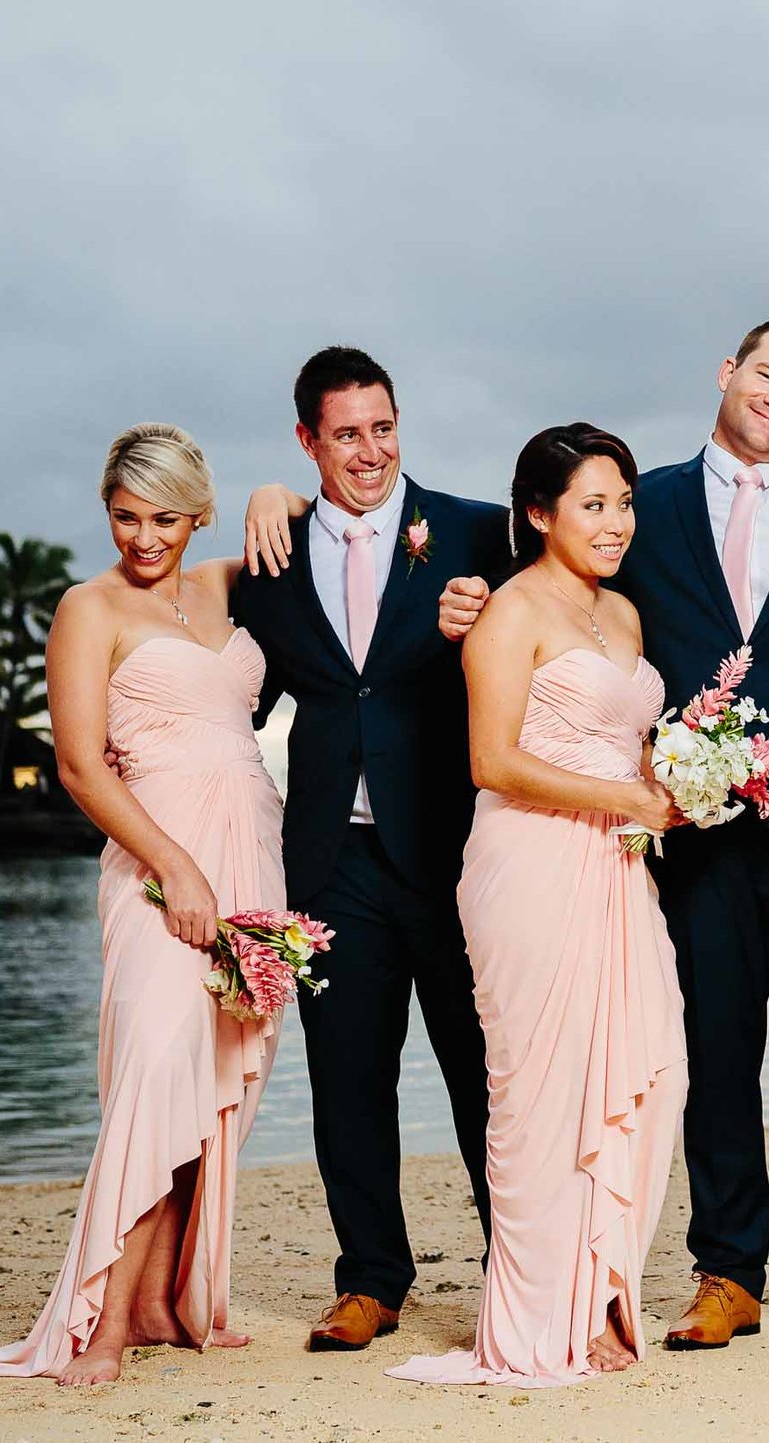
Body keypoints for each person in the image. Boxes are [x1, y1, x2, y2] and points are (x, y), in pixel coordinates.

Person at [437, 318, 769, 1352]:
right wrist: (458, 596)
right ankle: (727, 1271)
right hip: (686, 841)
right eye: (766, 375)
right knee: (711, 1055)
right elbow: (536, 558)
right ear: (728, 372)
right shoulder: (634, 504)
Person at [0, 424, 284, 1385]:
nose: (142, 538)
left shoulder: (227, 584)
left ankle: (158, 1300)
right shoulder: (87, 607)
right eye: (125, 515)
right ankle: (100, 1323)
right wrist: (175, 867)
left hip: (253, 855)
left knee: (219, 1080)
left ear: (200, 513)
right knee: (154, 1072)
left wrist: (277, 491)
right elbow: (76, 763)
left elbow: (342, 518)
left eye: (164, 519)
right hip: (159, 861)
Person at [385, 424, 689, 1386]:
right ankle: (529, 1321)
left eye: (625, 502)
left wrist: (686, 783)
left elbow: (625, 741)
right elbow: (495, 760)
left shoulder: (627, 618)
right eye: (593, 504)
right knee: (540, 1097)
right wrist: (630, 799)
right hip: (531, 866)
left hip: (619, 867)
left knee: (650, 1071)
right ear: (539, 514)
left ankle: (600, 1293)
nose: (616, 522)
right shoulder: (511, 613)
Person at [231, 348, 511, 1353]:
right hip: (329, 864)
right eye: (345, 432)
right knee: (349, 1080)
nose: (370, 450)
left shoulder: (479, 530)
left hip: (454, 851)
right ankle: (371, 1278)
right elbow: (239, 703)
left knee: (488, 1075)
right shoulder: (270, 555)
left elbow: (543, 646)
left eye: (383, 426)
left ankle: (514, 1270)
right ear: (308, 440)